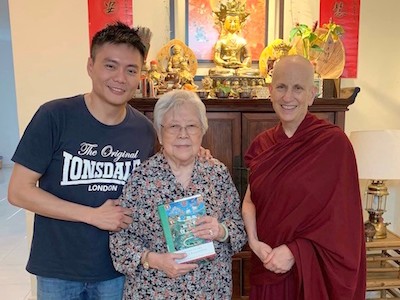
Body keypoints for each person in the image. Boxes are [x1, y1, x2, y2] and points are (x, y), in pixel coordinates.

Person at [7, 22, 157, 299]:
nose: (120, 78)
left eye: (131, 70)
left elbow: (159, 184)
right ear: (91, 66)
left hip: (117, 269)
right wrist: (92, 215)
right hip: (58, 269)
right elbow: (18, 191)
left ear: (140, 75)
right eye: (110, 66)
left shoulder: (144, 131)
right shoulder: (54, 116)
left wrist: (198, 155)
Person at [241, 55, 366, 299]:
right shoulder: (262, 145)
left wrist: (295, 251)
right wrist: (254, 243)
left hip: (312, 270)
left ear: (312, 93)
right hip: (268, 264)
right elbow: (250, 201)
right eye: (281, 87)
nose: (288, 97)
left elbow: (343, 224)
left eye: (298, 88)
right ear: (270, 91)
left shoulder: (334, 144)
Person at [110, 90, 247, 299]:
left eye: (191, 126)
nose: (183, 134)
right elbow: (119, 241)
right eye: (174, 126)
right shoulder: (141, 178)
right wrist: (154, 260)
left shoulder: (217, 173)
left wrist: (221, 231)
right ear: (159, 132)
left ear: (202, 131)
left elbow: (238, 227)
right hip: (154, 291)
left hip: (210, 291)